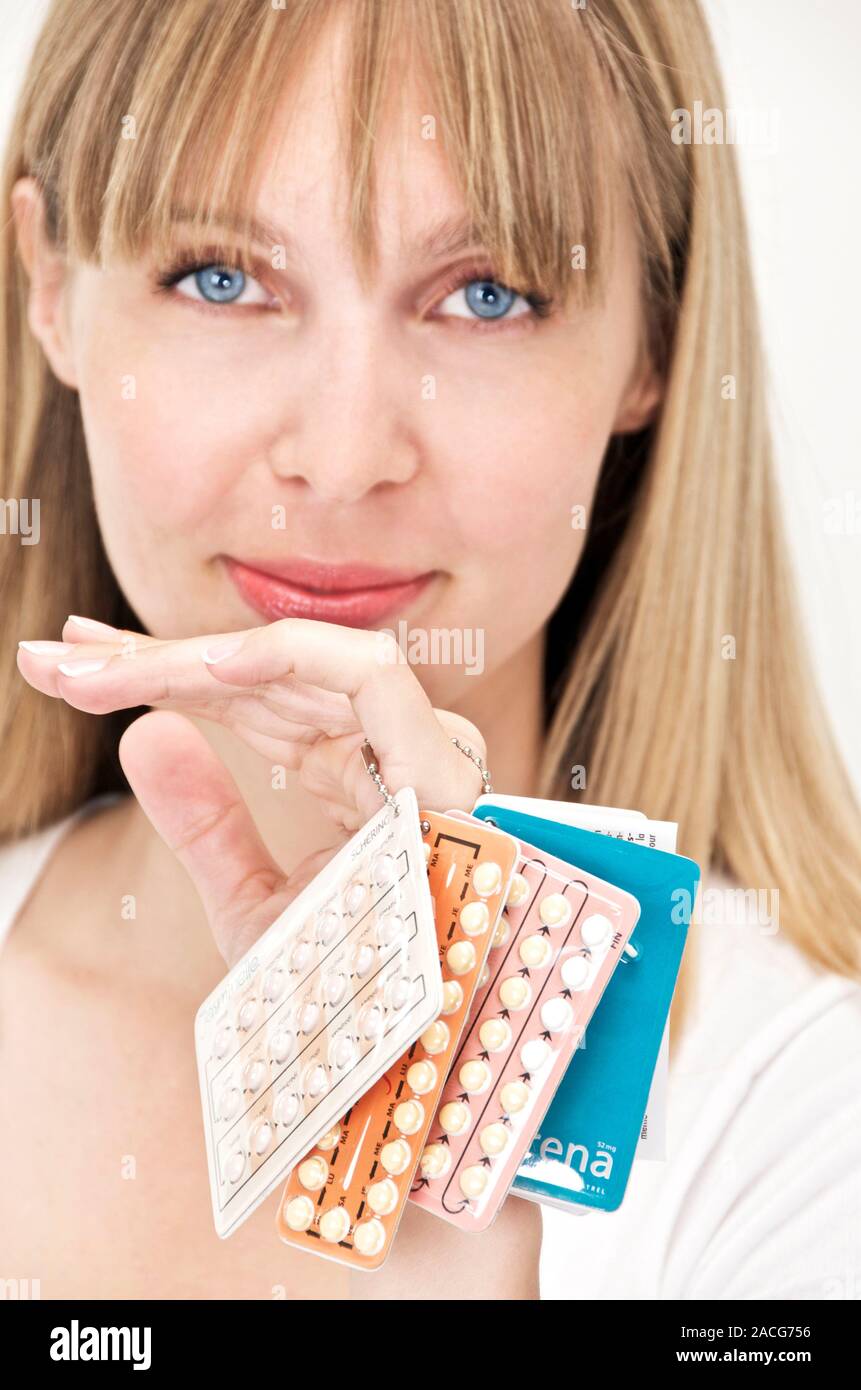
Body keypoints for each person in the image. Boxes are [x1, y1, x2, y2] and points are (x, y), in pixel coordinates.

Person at [1, 0, 858, 1301]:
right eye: (222, 278)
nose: (344, 458)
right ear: (51, 287)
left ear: (655, 342)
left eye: (484, 296)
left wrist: (439, 1236)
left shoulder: (808, 1124)